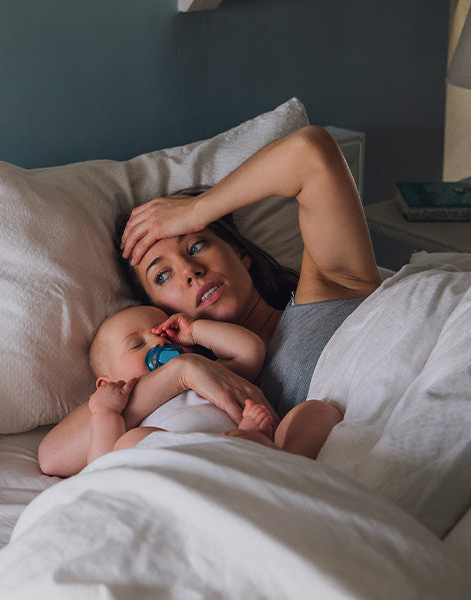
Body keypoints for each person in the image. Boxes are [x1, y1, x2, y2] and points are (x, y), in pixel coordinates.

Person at [39, 125, 381, 477]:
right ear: (160, 312)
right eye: (162, 276)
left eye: (197, 245)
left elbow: (311, 151)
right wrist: (183, 372)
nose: (189, 270)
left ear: (240, 252)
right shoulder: (199, 384)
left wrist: (196, 211)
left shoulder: (330, 285)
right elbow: (53, 453)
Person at [85, 304, 342, 467]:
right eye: (137, 345)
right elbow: (102, 468)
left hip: (256, 456)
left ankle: (289, 460)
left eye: (164, 334)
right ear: (106, 383)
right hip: (187, 469)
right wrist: (104, 411)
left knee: (315, 411)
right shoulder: (125, 415)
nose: (158, 343)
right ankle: (237, 450)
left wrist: (195, 331)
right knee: (130, 443)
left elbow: (249, 350)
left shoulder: (213, 373)